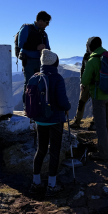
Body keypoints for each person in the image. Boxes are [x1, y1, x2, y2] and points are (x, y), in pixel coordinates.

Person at [29, 49, 71, 197]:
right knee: (54, 151)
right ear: (55, 62)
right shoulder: (57, 78)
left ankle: (36, 182)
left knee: (40, 150)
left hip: (40, 120)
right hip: (55, 120)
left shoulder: (35, 77)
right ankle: (51, 185)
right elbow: (62, 101)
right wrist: (68, 107)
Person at [81, 37, 108, 162]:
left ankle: (103, 153)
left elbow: (85, 80)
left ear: (90, 46)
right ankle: (106, 147)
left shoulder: (92, 60)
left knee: (100, 125)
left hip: (99, 96)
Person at [18, 11, 51, 109]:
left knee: (39, 83)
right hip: (29, 61)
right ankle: (27, 106)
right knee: (29, 83)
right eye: (46, 23)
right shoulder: (26, 28)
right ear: (41, 21)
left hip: (40, 62)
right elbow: (21, 44)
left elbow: (48, 47)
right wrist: (36, 47)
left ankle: (36, 105)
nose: (46, 25)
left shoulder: (44, 33)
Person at [70, 46, 95, 130]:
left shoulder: (95, 56)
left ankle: (94, 122)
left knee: (93, 104)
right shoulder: (87, 56)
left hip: (93, 85)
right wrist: (82, 83)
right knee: (82, 103)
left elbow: (83, 70)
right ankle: (77, 121)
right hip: (88, 85)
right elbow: (82, 69)